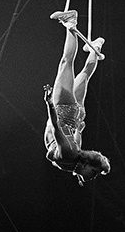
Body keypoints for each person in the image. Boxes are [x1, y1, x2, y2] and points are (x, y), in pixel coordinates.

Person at [43, 10, 111, 186]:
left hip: (76, 113)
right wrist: (50, 104)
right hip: (63, 108)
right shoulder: (69, 155)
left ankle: (96, 47)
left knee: (85, 75)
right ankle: (71, 24)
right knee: (66, 62)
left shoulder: (75, 155)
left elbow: (77, 131)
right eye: (93, 173)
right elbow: (57, 126)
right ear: (86, 164)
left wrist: (78, 171)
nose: (92, 177)